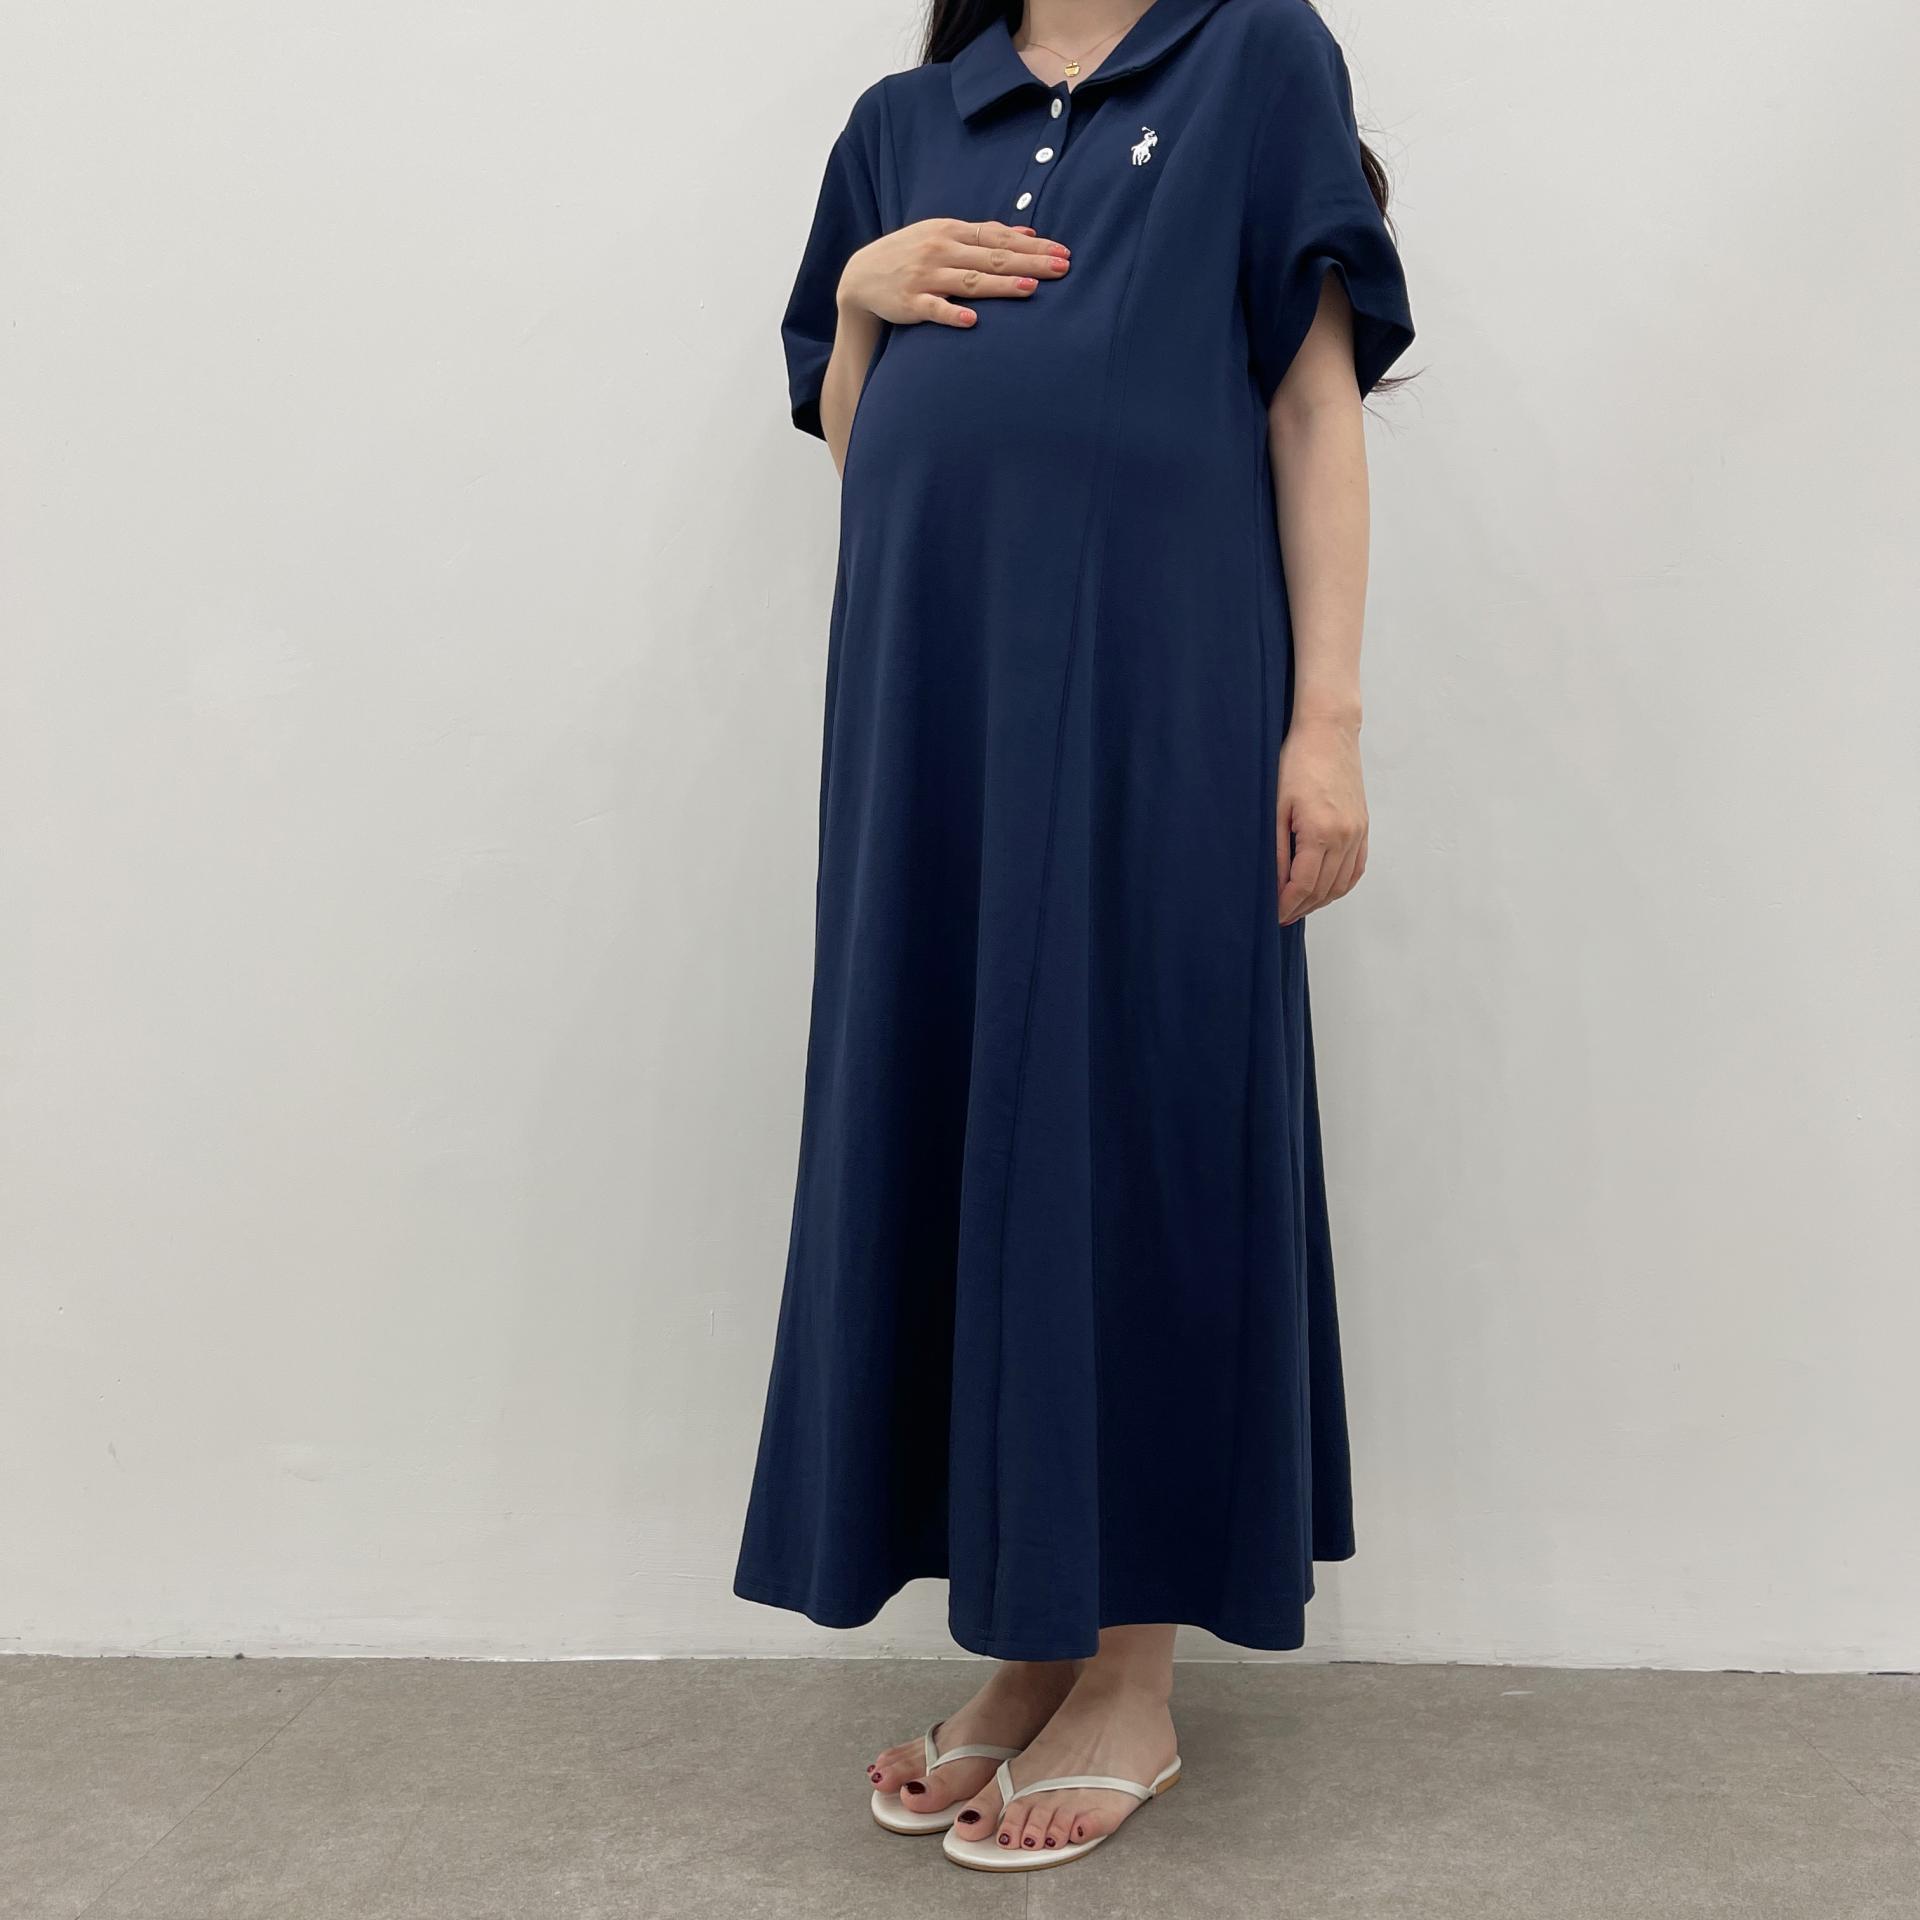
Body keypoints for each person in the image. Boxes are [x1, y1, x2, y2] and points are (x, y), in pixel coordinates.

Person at [734, 0, 1413, 1872]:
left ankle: (1133, 1679)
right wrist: (857, 300)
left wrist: (1327, 721)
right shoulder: (901, 120)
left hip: (1158, 692)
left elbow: (1309, 402)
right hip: (934, 709)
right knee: (970, 1113)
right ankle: (1034, 1643)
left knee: (1135, 1111)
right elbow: (869, 456)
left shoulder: (1256, 58)